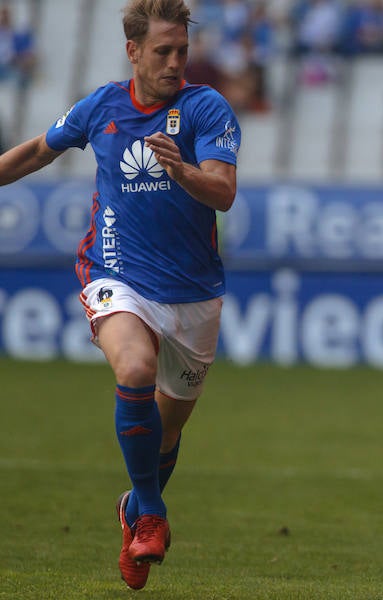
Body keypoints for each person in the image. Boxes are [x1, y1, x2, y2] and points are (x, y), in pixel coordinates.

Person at [0, 0, 239, 590]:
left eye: (182, 51)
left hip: (193, 291)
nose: (175, 62)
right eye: (163, 51)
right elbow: (36, 151)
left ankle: (135, 507)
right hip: (116, 273)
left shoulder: (206, 107)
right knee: (134, 368)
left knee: (169, 431)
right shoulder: (101, 106)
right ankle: (153, 514)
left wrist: (183, 171)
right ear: (134, 51)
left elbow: (224, 192)